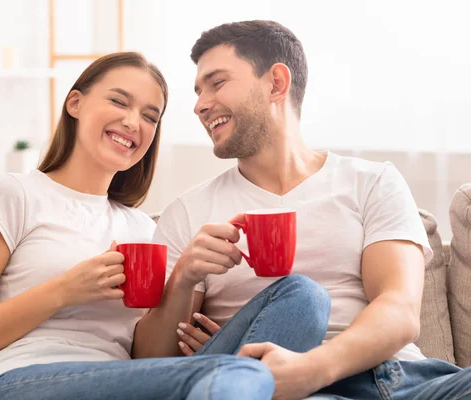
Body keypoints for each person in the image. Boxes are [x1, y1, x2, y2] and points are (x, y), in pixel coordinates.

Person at [0, 51, 330, 400]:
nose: (134, 123)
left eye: (150, 116)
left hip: (126, 381)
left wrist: (183, 279)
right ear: (75, 103)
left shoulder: (141, 228)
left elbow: (149, 357)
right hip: (24, 381)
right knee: (241, 377)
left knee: (304, 298)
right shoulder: (15, 195)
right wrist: (63, 291)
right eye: (119, 102)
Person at [133, 21, 471, 400]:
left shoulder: (372, 182)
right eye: (197, 91)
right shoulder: (190, 212)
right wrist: (182, 280)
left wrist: (311, 369)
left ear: (277, 82)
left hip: (404, 380)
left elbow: (399, 310)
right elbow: (150, 362)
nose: (199, 105)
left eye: (217, 83)